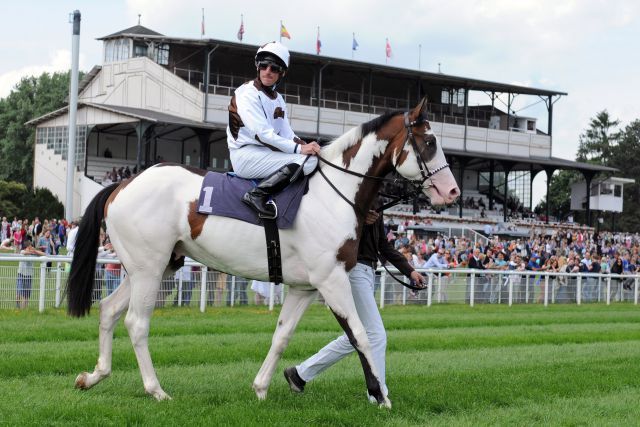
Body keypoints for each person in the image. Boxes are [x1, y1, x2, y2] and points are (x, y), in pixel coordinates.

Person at [283, 210, 425, 403]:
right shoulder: (352, 197)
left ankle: (299, 374)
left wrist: (409, 271)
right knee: (376, 334)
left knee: (357, 335)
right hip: (353, 270)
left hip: (367, 272)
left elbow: (382, 245)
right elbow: (333, 231)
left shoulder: (377, 201)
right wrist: (359, 219)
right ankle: (378, 395)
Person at [227, 41, 321, 217]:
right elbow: (262, 135)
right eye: (264, 66)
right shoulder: (247, 93)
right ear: (258, 67)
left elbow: (287, 135)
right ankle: (257, 195)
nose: (268, 71)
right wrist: (300, 150)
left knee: (312, 157)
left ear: (282, 73)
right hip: (245, 156)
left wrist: (307, 146)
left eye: (274, 68)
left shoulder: (278, 98)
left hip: (263, 153)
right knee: (308, 162)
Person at [16, 240, 45, 308]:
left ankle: (24, 309)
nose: (31, 247)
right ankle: (17, 306)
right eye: (30, 247)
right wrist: (31, 251)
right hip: (21, 275)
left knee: (26, 294)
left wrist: (35, 251)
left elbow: (44, 254)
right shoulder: (22, 251)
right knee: (19, 293)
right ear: (26, 247)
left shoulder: (33, 254)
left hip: (29, 276)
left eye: (31, 246)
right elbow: (25, 253)